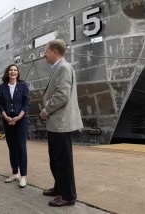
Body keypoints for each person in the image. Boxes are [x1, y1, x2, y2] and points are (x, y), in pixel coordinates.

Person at [39, 39, 83, 207]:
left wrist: (46, 110)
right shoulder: (58, 68)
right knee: (56, 159)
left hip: (60, 123)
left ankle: (68, 196)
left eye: (46, 51)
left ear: (55, 51)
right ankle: (59, 187)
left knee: (63, 161)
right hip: (56, 123)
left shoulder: (63, 68)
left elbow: (62, 95)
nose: (44, 54)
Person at [0, 64, 30, 188]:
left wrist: (19, 117)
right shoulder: (3, 87)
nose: (13, 72)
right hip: (7, 119)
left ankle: (23, 176)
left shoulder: (23, 85)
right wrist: (6, 116)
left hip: (21, 119)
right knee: (11, 146)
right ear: (7, 72)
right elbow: (0, 104)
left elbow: (26, 103)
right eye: (11, 70)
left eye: (15, 70)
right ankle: (14, 173)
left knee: (21, 146)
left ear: (18, 72)